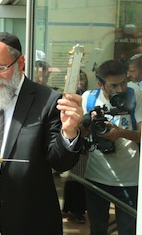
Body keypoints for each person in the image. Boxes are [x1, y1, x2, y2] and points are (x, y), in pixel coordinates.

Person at [0, 32, 84, 234]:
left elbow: (60, 162)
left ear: (20, 63)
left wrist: (70, 131)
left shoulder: (46, 100)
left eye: (1, 68)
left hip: (28, 218)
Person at [80, 60, 142, 235]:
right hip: (97, 176)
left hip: (129, 177)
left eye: (123, 83)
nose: (120, 89)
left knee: (128, 229)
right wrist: (88, 123)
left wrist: (120, 133)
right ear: (101, 84)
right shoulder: (89, 98)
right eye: (113, 85)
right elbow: (82, 135)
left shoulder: (134, 94)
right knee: (98, 229)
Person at [62, 70, 89, 223]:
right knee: (73, 179)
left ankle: (78, 209)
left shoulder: (86, 97)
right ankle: (70, 208)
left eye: (81, 80)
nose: (79, 83)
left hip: (84, 145)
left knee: (80, 180)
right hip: (72, 141)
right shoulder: (66, 96)